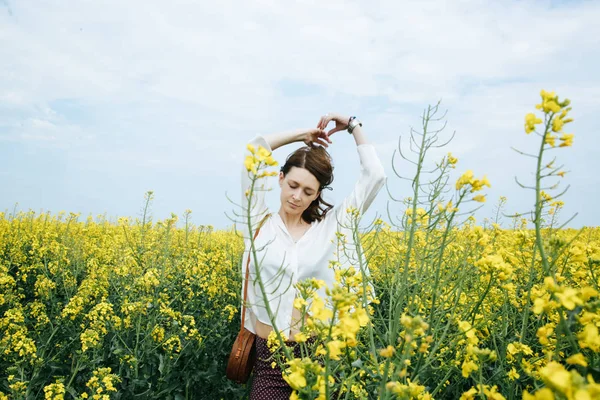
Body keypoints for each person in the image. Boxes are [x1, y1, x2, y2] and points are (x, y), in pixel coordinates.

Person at [240, 113, 387, 399]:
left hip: (318, 359)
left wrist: (353, 126)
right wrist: (302, 136)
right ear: (280, 179)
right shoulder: (255, 220)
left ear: (317, 194)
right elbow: (254, 152)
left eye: (308, 192)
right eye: (293, 186)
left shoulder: (333, 226)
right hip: (269, 362)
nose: (297, 197)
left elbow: (375, 176)